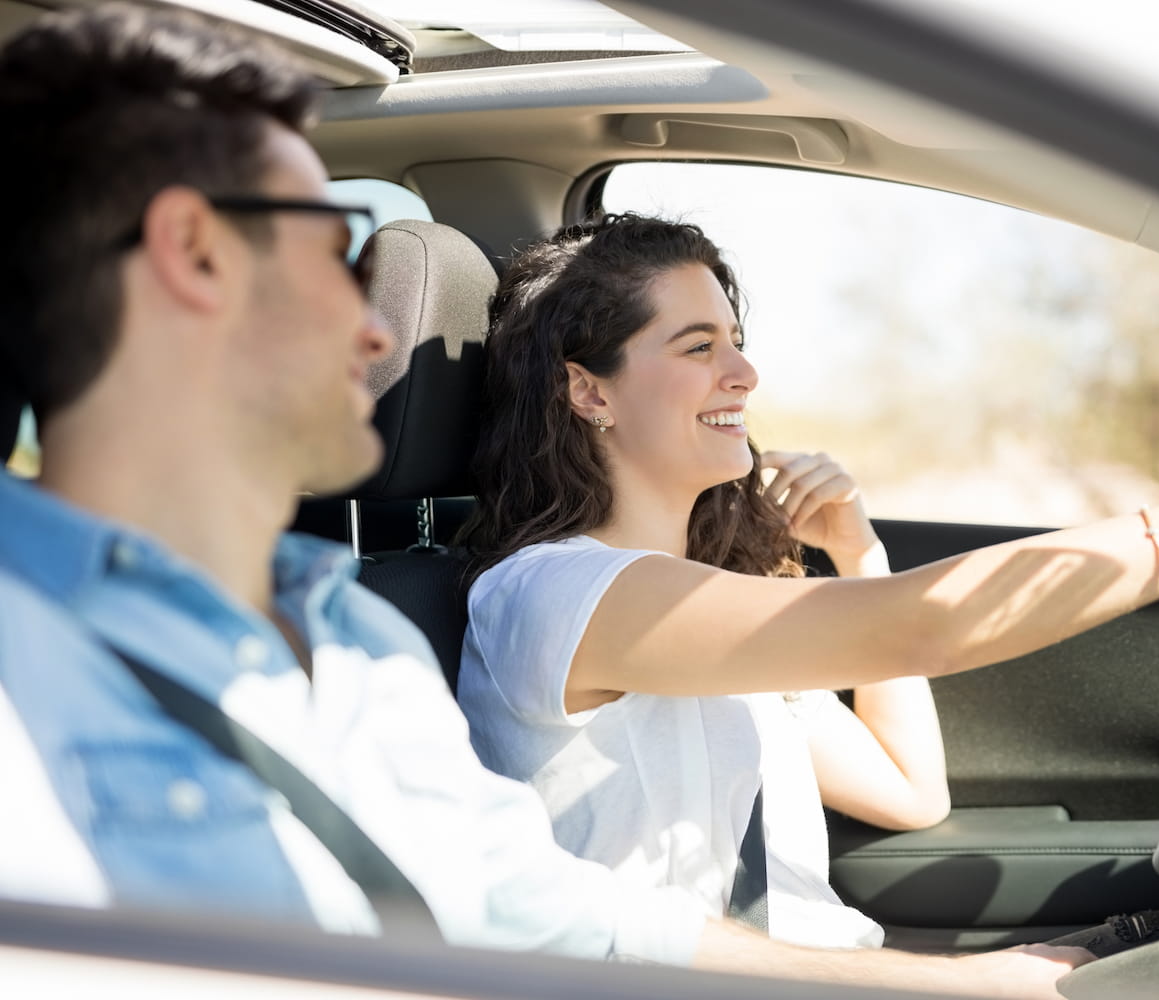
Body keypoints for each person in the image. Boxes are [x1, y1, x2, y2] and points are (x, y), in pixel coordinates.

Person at [0, 5, 1098, 997]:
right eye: (333, 253)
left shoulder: (356, 633)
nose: (379, 331)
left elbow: (567, 919)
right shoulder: (25, 667)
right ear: (195, 252)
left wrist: (963, 985)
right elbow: (923, 626)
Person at [454, 215, 1159, 961]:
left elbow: (909, 790)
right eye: (698, 345)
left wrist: (862, 552)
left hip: (834, 968)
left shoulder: (711, 604)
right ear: (589, 391)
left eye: (736, 337)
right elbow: (932, 626)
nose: (745, 373)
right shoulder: (558, 596)